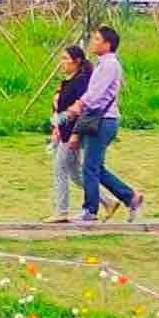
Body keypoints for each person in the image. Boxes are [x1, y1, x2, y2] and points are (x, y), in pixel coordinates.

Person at [74, 23, 142, 223]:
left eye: (96, 39)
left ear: (107, 44)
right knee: (97, 167)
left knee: (89, 167)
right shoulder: (104, 63)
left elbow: (96, 94)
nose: (92, 42)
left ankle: (90, 210)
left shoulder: (109, 65)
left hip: (102, 120)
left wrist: (80, 104)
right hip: (103, 119)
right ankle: (130, 197)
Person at [45, 41, 92, 223]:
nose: (62, 62)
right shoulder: (68, 82)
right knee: (75, 173)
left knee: (59, 169)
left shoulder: (80, 82)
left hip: (73, 133)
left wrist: (75, 134)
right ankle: (106, 200)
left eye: (65, 59)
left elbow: (81, 109)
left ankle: (61, 211)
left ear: (76, 61)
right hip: (63, 132)